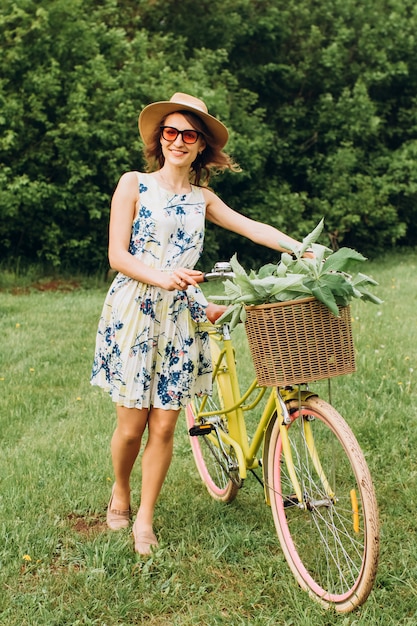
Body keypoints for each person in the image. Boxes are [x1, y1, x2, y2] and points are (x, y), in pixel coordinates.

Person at [91, 92, 309, 556]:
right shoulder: (133, 184)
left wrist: (301, 248)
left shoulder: (202, 199)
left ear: (201, 146)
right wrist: (162, 276)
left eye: (189, 134)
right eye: (170, 132)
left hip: (181, 318)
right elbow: (117, 256)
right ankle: (121, 491)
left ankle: (145, 518)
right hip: (136, 311)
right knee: (131, 427)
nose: (178, 141)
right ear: (159, 138)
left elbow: (252, 227)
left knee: (165, 427)